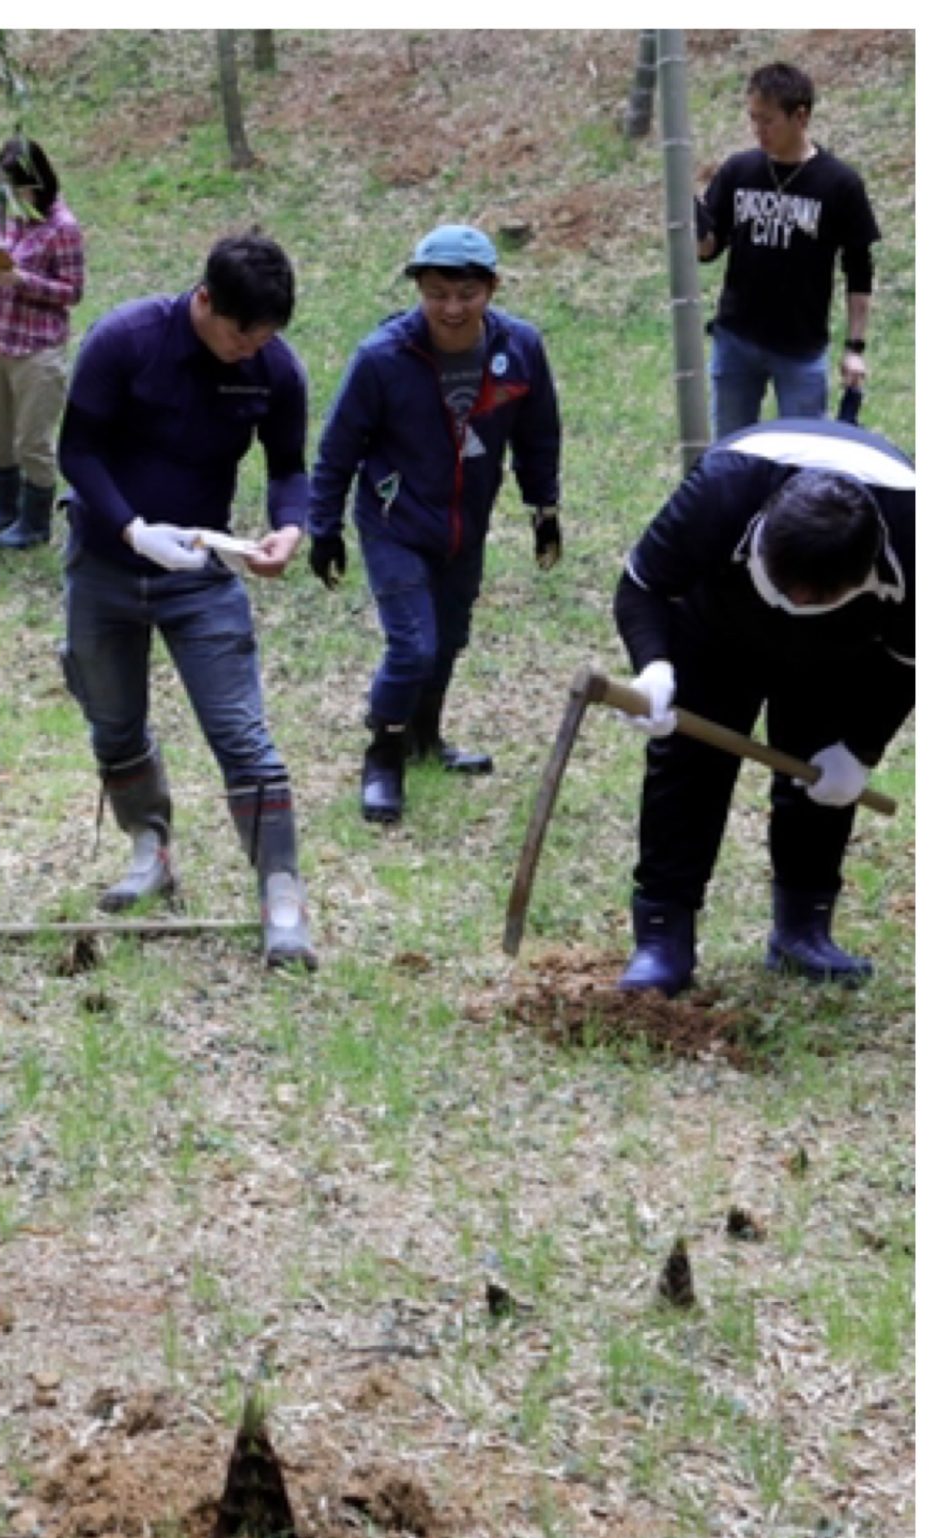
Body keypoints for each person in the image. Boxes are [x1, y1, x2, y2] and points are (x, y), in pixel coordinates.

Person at [56, 232, 315, 967]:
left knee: (242, 737)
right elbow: (77, 450)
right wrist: (133, 531)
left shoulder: (273, 369)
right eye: (242, 332)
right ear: (204, 301)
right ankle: (150, 849)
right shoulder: (126, 341)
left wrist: (290, 529)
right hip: (106, 563)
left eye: (266, 335)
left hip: (200, 575)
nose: (251, 347)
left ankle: (282, 894)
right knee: (114, 721)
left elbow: (290, 467)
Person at [609, 417, 912, 993]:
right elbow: (643, 586)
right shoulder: (722, 491)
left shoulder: (919, 534)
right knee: (688, 767)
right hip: (715, 628)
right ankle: (662, 937)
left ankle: (803, 932)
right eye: (788, 585)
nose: (796, 604)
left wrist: (860, 748)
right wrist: (653, 665)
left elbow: (909, 661)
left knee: (818, 773)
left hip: (843, 652)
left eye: (816, 597)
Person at [308, 224, 563, 824]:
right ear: (418, 290)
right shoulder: (382, 358)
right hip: (394, 520)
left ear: (492, 289)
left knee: (447, 640)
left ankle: (426, 737)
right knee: (412, 645)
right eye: (437, 294)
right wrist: (324, 527)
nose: (452, 308)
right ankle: (384, 754)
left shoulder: (519, 348)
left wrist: (543, 507)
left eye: (467, 294)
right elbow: (338, 447)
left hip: (464, 523)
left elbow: (538, 433)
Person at [697, 60, 880, 437]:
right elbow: (706, 250)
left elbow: (859, 270)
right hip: (736, 339)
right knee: (730, 454)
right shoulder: (738, 171)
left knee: (803, 460)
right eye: (753, 119)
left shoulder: (840, 184)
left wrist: (855, 347)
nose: (758, 131)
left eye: (768, 121)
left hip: (801, 349)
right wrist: (690, 217)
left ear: (801, 116)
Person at [0, 136, 84, 551]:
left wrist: (23, 281)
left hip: (38, 348)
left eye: (18, 187)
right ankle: (4, 509)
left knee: (32, 439)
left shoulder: (62, 227)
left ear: (37, 183)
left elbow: (72, 291)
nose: (12, 196)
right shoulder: (4, 215)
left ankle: (35, 523)